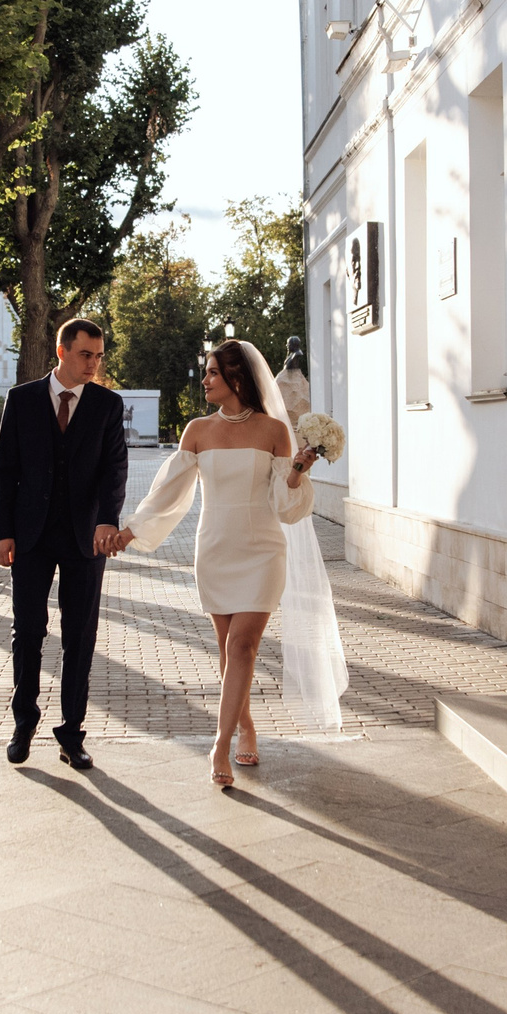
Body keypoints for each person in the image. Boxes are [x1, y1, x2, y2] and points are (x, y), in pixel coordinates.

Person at [116, 338, 345, 789]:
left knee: (243, 647)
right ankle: (245, 725)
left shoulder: (275, 431)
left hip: (262, 550)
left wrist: (297, 469)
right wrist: (132, 530)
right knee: (226, 651)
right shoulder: (197, 430)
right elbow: (169, 492)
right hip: (216, 548)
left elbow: (286, 507)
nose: (205, 381)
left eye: (213, 373)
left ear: (236, 378)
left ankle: (219, 743)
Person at [0, 317, 130, 771]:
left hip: (85, 538)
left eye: (99, 356)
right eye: (86, 354)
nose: (94, 363)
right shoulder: (22, 400)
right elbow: (4, 471)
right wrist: (3, 531)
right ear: (62, 352)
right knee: (27, 633)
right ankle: (23, 724)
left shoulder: (108, 405)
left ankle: (72, 733)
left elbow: (114, 471)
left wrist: (108, 521)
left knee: (80, 637)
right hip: (30, 537)